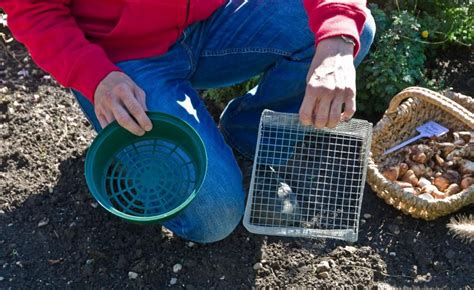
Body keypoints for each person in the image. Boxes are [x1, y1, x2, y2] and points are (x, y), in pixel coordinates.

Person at [2, 0, 375, 243]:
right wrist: (95, 76)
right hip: (121, 61)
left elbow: (339, 28)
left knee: (349, 29)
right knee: (215, 217)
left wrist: (337, 41)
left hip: (212, 20)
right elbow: (34, 10)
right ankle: (135, 136)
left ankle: (246, 140)